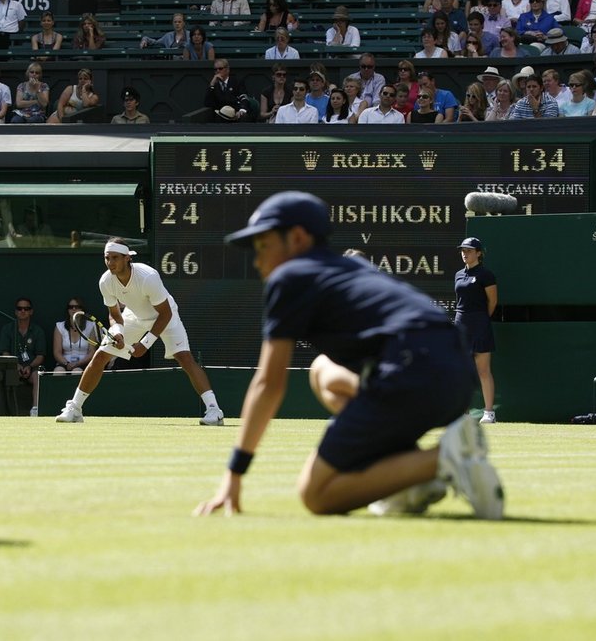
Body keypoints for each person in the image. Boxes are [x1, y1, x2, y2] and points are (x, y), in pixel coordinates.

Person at [194, 191, 503, 521]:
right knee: (321, 371)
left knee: (316, 495)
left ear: (297, 237)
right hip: (455, 372)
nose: (257, 260)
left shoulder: (290, 276)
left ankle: (443, 459)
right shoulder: (353, 266)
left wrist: (234, 474)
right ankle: (410, 479)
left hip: (411, 370)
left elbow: (268, 382)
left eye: (263, 245)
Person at [55, 238, 224, 426]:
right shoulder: (106, 281)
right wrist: (117, 331)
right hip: (134, 316)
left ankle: (214, 411)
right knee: (101, 356)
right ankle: (75, 408)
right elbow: (114, 314)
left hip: (165, 315)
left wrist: (145, 344)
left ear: (127, 258)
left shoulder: (147, 277)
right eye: (107, 258)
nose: (110, 262)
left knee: (184, 357)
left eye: (115, 258)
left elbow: (165, 313)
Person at [452, 236, 499, 425]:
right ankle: (464, 414)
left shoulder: (486, 275)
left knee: (483, 370)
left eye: (469, 251)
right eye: (463, 250)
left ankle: (489, 413)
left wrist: (480, 319)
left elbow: (492, 302)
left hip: (479, 323)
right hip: (460, 323)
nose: (465, 254)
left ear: (479, 253)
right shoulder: (458, 275)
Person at [1, 296, 45, 417]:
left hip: (32, 368)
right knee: (8, 374)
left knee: (38, 375)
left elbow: (40, 355)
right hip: (13, 367)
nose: (23, 311)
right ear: (15, 311)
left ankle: (35, 409)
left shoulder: (37, 331)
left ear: (31, 311)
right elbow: (5, 353)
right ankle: (9, 411)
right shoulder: (7, 329)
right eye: (19, 308)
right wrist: (16, 365)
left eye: (26, 308)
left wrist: (30, 367)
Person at [52, 297, 99, 375]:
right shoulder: (59, 326)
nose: (73, 309)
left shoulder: (91, 326)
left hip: (84, 363)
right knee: (58, 371)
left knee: (76, 372)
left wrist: (77, 364)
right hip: (64, 363)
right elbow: (57, 352)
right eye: (70, 307)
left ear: (82, 309)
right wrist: (67, 363)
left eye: (77, 307)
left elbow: (92, 351)